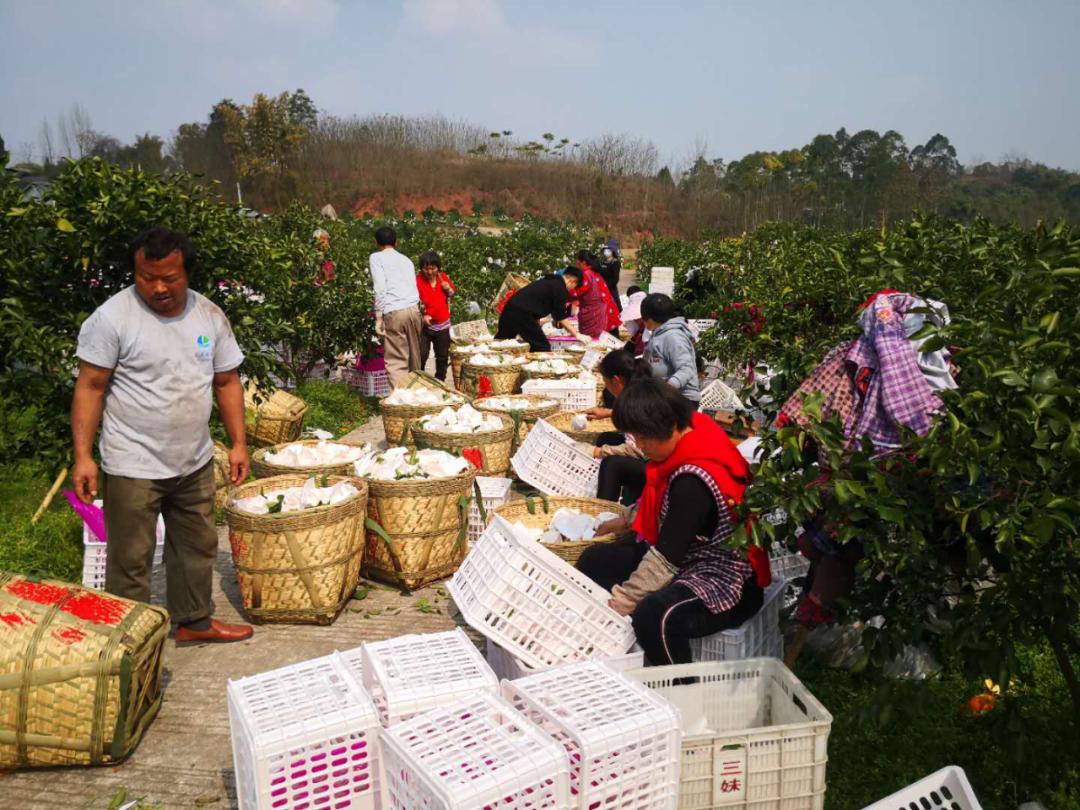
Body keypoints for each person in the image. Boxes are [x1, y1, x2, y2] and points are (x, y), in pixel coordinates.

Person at [71, 227, 253, 646]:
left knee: (197, 546)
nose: (157, 288)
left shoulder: (208, 316)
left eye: (169, 278)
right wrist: (83, 456)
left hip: (193, 460)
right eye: (146, 277)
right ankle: (130, 646)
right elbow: (90, 387)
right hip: (132, 462)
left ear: (187, 273)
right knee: (130, 559)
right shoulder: (113, 319)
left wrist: (239, 443)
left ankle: (194, 621)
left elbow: (226, 381)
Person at [575, 379, 769, 666]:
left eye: (643, 438)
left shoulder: (693, 480)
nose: (640, 447)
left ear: (669, 425)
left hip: (725, 580)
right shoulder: (691, 436)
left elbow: (665, 559)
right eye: (635, 437)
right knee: (594, 561)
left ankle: (679, 684)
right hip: (690, 558)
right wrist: (625, 519)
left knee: (654, 616)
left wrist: (620, 605)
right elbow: (664, 507)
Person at [585, 350, 650, 505]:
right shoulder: (640, 389)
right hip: (651, 453)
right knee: (606, 438)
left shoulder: (633, 401)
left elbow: (636, 448)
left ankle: (604, 511)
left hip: (658, 464)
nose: (606, 388)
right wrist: (607, 413)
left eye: (605, 382)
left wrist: (599, 451)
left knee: (611, 464)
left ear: (616, 380)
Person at [370, 226, 422, 386]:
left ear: (376, 242)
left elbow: (380, 288)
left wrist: (379, 317)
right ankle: (417, 392)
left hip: (395, 310)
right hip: (413, 309)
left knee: (396, 361)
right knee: (414, 358)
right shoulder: (406, 260)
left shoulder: (376, 258)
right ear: (396, 242)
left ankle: (402, 397)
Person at [495, 268, 588, 351]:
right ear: (573, 282)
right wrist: (577, 334)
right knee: (542, 346)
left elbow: (536, 303)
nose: (572, 289)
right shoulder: (560, 288)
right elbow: (560, 317)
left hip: (509, 309)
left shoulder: (548, 281)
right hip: (522, 314)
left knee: (502, 344)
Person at [641, 293, 700, 402]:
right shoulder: (657, 333)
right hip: (662, 395)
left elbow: (686, 369)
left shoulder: (673, 337)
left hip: (680, 399)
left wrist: (665, 389)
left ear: (649, 319)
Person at [415, 250, 455, 382]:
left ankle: (439, 382)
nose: (430, 272)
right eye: (426, 269)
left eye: (433, 268)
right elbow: (413, 302)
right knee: (421, 354)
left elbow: (451, 293)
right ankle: (420, 380)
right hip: (425, 327)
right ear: (421, 268)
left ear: (438, 267)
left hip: (443, 326)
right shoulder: (417, 281)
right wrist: (423, 316)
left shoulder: (443, 278)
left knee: (442, 357)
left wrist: (448, 288)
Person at [571, 250, 622, 339]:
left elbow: (576, 293)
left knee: (598, 342)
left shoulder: (586, 275)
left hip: (598, 316)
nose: (576, 264)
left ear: (583, 262)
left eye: (577, 261)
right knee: (611, 340)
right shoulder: (594, 272)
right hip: (607, 311)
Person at [598, 239, 621, 303]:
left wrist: (607, 286)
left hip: (611, 289)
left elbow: (615, 279)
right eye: (605, 250)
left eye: (608, 250)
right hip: (601, 288)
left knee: (614, 304)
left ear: (613, 251)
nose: (606, 251)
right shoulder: (602, 262)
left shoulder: (615, 262)